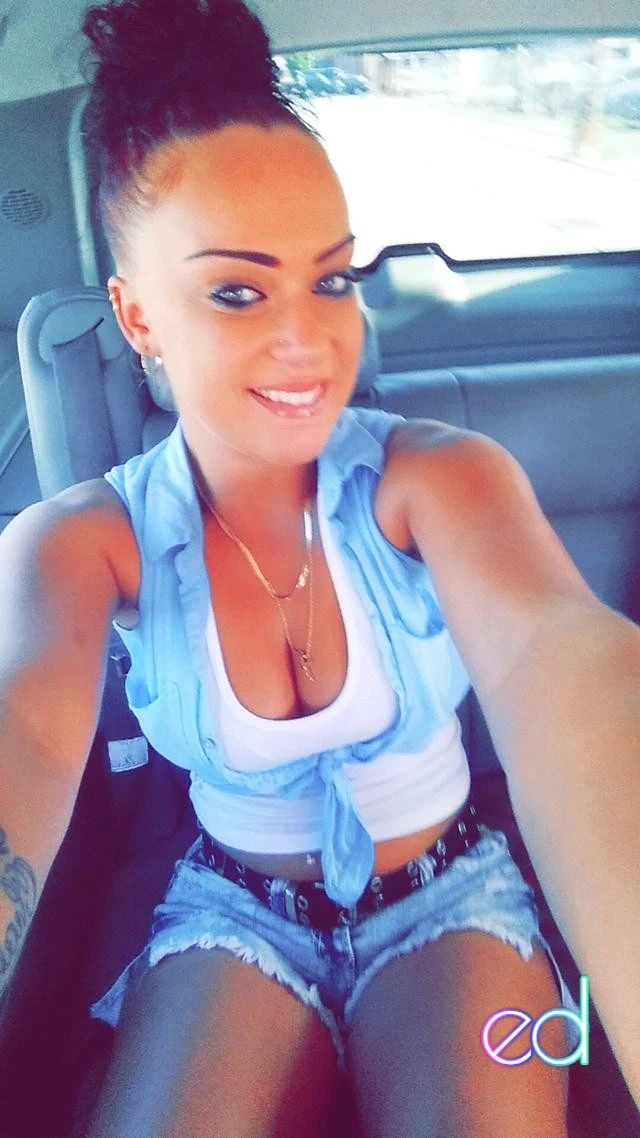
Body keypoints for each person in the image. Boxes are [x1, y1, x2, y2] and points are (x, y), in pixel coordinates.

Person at [0, 0, 638, 1134]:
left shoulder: (440, 478)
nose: (307, 339)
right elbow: (29, 732)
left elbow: (561, 661)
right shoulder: (80, 540)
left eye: (330, 279)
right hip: (232, 909)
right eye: (237, 291)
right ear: (137, 317)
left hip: (450, 893)